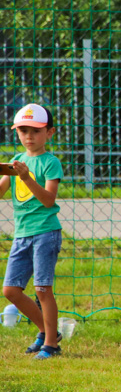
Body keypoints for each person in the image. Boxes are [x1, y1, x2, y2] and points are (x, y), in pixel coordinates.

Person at [1, 104, 63, 359]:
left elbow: (49, 200)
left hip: (46, 233)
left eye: (35, 131)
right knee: (11, 290)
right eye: (23, 130)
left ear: (49, 133)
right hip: (22, 234)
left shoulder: (50, 162)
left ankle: (51, 344)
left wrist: (26, 178)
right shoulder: (18, 161)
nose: (29, 136)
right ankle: (47, 331)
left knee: (42, 289)